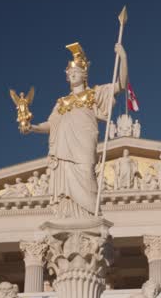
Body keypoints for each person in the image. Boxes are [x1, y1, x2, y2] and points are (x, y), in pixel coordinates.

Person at [23, 41, 128, 218]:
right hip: (64, 150)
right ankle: (69, 216)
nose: (72, 75)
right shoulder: (61, 102)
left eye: (76, 72)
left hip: (84, 144)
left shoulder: (94, 94)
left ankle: (89, 217)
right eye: (69, 73)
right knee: (67, 187)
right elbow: (51, 125)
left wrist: (123, 57)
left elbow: (121, 85)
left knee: (87, 174)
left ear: (84, 74)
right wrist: (31, 127)